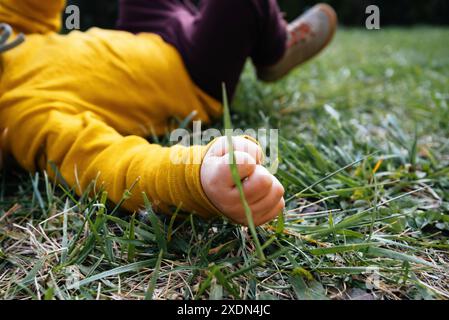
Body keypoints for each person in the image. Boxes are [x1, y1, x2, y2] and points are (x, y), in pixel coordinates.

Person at [0, 0, 336, 226]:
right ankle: (274, 48)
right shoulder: (22, 113)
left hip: (141, 32)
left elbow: (29, 9)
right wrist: (195, 178)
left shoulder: (6, 29)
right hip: (194, 74)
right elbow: (113, 166)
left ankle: (239, 30)